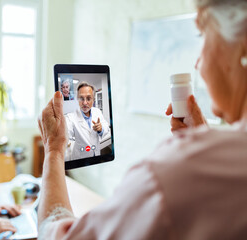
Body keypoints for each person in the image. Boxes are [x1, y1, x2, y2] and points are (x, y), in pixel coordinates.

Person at [37, 0, 247, 239]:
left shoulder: (170, 173)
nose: (198, 63)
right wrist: (207, 144)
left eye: (203, 35)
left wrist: (54, 150)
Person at [65, 82, 110, 160]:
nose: (85, 103)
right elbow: (65, 132)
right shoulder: (71, 117)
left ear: (93, 100)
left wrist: (101, 129)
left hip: (96, 154)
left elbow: (106, 127)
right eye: (81, 98)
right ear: (77, 99)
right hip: (80, 157)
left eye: (88, 98)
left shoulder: (97, 111)